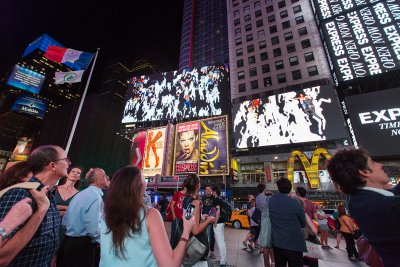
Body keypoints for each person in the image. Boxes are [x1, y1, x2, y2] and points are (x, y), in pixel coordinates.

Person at [99, 166, 195, 267]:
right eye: (143, 178)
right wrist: (186, 232)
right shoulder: (150, 214)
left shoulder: (106, 216)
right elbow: (170, 264)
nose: (146, 181)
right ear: (137, 185)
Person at [326, 147, 400, 267]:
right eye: (372, 162)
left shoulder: (356, 199)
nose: (380, 165)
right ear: (364, 172)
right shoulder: (384, 207)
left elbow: (394, 192)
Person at [0, 145, 69, 266]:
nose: (68, 163)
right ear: (52, 165)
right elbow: (2, 256)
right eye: (65, 160)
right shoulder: (20, 194)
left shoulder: (49, 196)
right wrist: (41, 211)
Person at [57, 168, 108, 267]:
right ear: (96, 181)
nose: (106, 177)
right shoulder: (95, 197)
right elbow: (93, 227)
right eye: (104, 175)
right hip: (82, 245)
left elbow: (65, 221)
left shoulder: (79, 195)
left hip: (67, 241)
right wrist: (100, 240)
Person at [269, 178, 307, 267]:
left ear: (278, 188)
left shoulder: (270, 200)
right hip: (294, 244)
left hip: (277, 242)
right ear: (289, 188)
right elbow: (303, 222)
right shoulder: (295, 202)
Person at [182, 174, 215, 267]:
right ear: (198, 186)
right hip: (195, 247)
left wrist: (201, 217)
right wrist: (209, 221)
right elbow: (195, 230)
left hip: (188, 244)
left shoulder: (186, 200)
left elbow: (188, 219)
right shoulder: (195, 202)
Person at [53, 167, 82, 265]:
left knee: (59, 256)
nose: (75, 174)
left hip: (65, 227)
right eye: (73, 171)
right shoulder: (55, 188)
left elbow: (77, 212)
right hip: (51, 223)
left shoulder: (79, 194)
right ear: (67, 174)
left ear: (79, 177)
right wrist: (56, 210)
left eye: (78, 173)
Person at [256, 183, 275, 267]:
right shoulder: (267, 198)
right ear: (264, 189)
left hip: (262, 220)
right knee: (270, 243)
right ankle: (273, 262)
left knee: (265, 245)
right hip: (268, 220)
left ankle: (266, 264)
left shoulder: (257, 198)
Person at [212, 185, 227, 267]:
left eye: (212, 191)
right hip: (222, 222)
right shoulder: (220, 199)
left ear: (214, 192)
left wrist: (215, 222)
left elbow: (217, 212)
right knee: (222, 241)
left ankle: (222, 262)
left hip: (218, 223)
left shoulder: (216, 200)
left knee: (220, 242)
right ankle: (223, 259)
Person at [201, 184, 216, 259]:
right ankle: (204, 252)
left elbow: (215, 208)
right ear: (205, 190)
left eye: (209, 189)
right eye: (206, 189)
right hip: (204, 219)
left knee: (211, 236)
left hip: (211, 219)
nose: (208, 190)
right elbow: (202, 208)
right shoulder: (203, 198)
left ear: (211, 190)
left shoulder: (213, 197)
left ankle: (212, 252)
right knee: (204, 235)